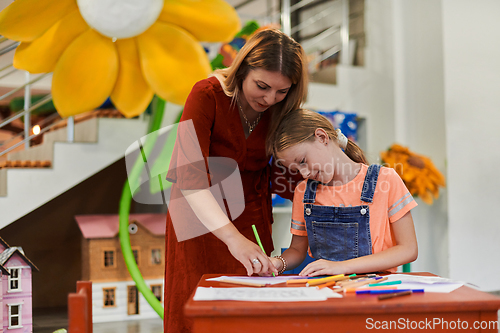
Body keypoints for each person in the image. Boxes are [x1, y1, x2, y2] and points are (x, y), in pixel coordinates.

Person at [164, 29, 308, 332]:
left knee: (253, 310)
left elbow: (294, 179)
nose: (270, 98)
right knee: (198, 307)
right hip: (198, 219)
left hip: (252, 217)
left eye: (281, 91)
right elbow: (189, 180)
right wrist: (232, 239)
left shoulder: (281, 110)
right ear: (243, 69)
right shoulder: (205, 95)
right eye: (262, 86)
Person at [265, 109, 418, 277]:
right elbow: (296, 250)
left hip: (373, 290)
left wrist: (343, 267)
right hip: (325, 289)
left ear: (322, 137)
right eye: (296, 169)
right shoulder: (303, 191)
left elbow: (408, 249)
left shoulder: (386, 180)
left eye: (303, 161)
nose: (304, 173)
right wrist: (277, 262)